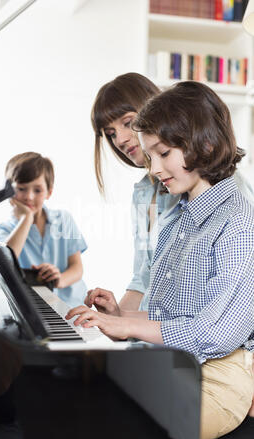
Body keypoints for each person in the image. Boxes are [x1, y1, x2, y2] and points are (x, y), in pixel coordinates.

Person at [67, 81, 254, 439]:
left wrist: (130, 329)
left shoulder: (237, 219)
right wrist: (119, 317)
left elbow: (216, 332)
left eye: (163, 153)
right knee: (70, 405)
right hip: (172, 364)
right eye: (150, 156)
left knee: (110, 432)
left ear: (206, 144)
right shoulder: (182, 216)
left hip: (215, 379)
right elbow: (171, 313)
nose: (152, 169)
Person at [91, 73, 254, 314]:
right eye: (111, 133)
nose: (121, 140)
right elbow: (143, 280)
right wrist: (117, 318)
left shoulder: (222, 188)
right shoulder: (143, 193)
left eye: (127, 123)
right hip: (156, 333)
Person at [0, 152, 87, 308]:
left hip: (72, 306)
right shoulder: (3, 231)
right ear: (9, 193)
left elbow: (77, 268)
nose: (29, 197)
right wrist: (26, 219)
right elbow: (4, 266)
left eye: (37, 190)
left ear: (49, 192)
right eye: (21, 189)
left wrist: (58, 279)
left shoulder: (64, 219)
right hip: (35, 309)